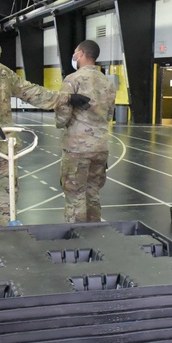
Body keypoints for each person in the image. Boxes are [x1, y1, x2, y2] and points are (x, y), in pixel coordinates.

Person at [0, 25, 90, 228]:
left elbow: (29, 91)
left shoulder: (1, 72)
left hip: (5, 152)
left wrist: (66, 98)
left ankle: (5, 252)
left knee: (7, 208)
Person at [56, 40, 117, 223]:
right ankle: (94, 233)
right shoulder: (107, 82)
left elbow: (63, 112)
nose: (74, 56)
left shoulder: (73, 80)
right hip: (100, 147)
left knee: (75, 194)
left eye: (75, 52)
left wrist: (61, 123)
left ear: (81, 54)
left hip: (77, 147)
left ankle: (76, 240)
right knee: (93, 192)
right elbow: (109, 114)